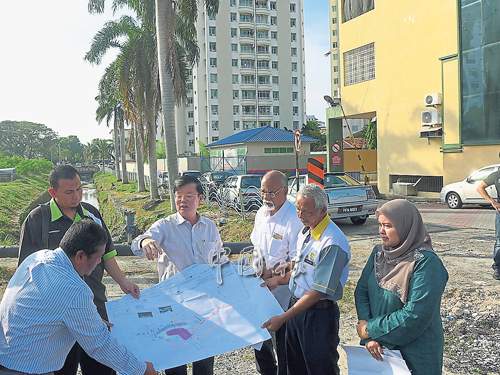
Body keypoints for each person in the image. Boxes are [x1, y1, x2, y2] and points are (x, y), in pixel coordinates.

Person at [18, 164, 140, 375]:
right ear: (52, 192)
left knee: (102, 366)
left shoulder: (91, 214)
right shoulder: (38, 220)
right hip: (57, 318)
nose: (76, 196)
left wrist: (124, 282)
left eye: (79, 189)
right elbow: (28, 270)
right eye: (69, 192)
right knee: (62, 369)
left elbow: (108, 254)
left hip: (95, 307)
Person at [0, 219, 157, 375]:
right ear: (80, 256)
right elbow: (99, 344)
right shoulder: (73, 288)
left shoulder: (38, 258)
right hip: (26, 369)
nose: (99, 262)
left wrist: (86, 320)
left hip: (8, 355)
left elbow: (41, 310)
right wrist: (141, 370)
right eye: (98, 256)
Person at [131, 175, 223, 375]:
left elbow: (219, 260)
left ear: (200, 199)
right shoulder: (165, 225)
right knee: (174, 361)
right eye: (178, 196)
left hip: (204, 304)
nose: (183, 200)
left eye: (189, 196)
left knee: (204, 363)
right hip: (173, 306)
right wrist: (146, 242)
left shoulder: (210, 227)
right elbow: (138, 242)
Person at [261, 184, 351, 375]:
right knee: (295, 366)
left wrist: (283, 318)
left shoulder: (332, 242)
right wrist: (281, 279)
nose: (300, 215)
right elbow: (305, 267)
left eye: (307, 211)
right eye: (298, 209)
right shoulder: (307, 230)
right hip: (298, 311)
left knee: (320, 367)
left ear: (323, 210)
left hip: (318, 316)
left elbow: (318, 290)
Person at [354, 199, 448, 375]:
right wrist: (368, 336)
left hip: (415, 354)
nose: (381, 230)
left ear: (406, 226)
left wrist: (369, 330)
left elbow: (415, 316)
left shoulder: (427, 264)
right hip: (379, 350)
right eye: (380, 224)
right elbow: (362, 292)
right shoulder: (379, 253)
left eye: (388, 225)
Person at [251, 170, 303, 375]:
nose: (266, 197)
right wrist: (256, 265)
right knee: (260, 341)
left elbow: (298, 259)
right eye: (263, 192)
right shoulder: (261, 213)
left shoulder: (294, 219)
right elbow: (256, 245)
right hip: (259, 289)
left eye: (271, 193)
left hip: (284, 294)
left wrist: (271, 273)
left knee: (284, 347)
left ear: (285, 190)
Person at [476, 161, 500, 280]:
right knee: (499, 241)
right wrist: (493, 201)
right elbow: (480, 187)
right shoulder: (497, 175)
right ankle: (498, 268)